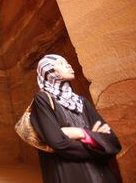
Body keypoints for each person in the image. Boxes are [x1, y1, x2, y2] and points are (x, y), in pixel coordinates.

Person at [30, 54, 122, 183]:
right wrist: (97, 142)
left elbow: (113, 143)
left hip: (101, 175)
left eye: (67, 62)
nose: (68, 65)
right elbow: (58, 143)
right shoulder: (42, 99)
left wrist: (81, 133)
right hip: (69, 173)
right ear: (49, 71)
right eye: (61, 64)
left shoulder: (82, 102)